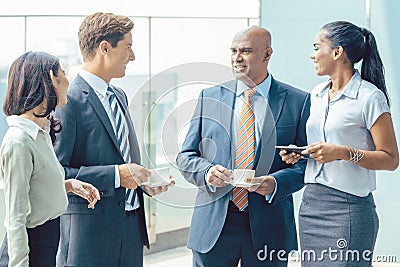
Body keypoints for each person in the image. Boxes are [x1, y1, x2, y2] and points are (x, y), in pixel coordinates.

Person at [176, 26, 310, 267]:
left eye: (246, 51)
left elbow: (307, 164)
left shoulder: (298, 101)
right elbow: (186, 156)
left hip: (270, 226)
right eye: (233, 51)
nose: (237, 58)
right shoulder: (210, 97)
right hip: (214, 225)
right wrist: (206, 172)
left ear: (267, 54)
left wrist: (276, 183)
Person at [53, 12, 172, 267]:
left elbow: (122, 159)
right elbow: (57, 173)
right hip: (89, 239)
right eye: (128, 47)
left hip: (129, 232)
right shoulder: (68, 102)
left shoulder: (119, 95)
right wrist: (117, 176)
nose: (133, 56)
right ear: (104, 48)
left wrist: (142, 182)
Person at [280, 21, 399, 266]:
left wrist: (343, 153)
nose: (312, 55)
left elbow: (391, 159)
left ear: (337, 52)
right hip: (311, 205)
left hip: (349, 209)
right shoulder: (317, 94)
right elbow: (325, 147)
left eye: (317, 47)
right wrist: (303, 154)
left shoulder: (369, 97)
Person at [0, 51, 100, 267]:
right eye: (63, 73)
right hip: (30, 248)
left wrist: (69, 185)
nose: (67, 79)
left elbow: (35, 191)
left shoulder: (41, 131)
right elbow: (15, 218)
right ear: (49, 80)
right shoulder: (19, 141)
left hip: (46, 241)